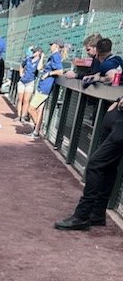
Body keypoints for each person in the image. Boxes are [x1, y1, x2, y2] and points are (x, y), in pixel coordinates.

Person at [54, 96, 123, 231]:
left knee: (95, 164)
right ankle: (97, 214)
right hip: (117, 112)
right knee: (108, 166)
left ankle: (82, 215)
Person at [26, 39, 65, 140]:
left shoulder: (56, 56)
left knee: (31, 109)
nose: (50, 46)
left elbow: (60, 71)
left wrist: (49, 74)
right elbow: (39, 68)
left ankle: (38, 127)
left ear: (56, 46)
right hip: (42, 85)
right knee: (39, 110)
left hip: (45, 87)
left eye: (52, 45)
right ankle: (36, 131)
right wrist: (42, 57)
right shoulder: (52, 56)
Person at [16, 46, 43, 122]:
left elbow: (39, 68)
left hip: (30, 82)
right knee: (20, 99)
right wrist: (21, 73)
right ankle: (19, 115)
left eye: (35, 52)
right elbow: (22, 65)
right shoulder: (28, 59)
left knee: (26, 100)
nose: (33, 53)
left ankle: (23, 116)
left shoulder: (38, 62)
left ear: (38, 53)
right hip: (22, 81)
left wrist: (41, 58)